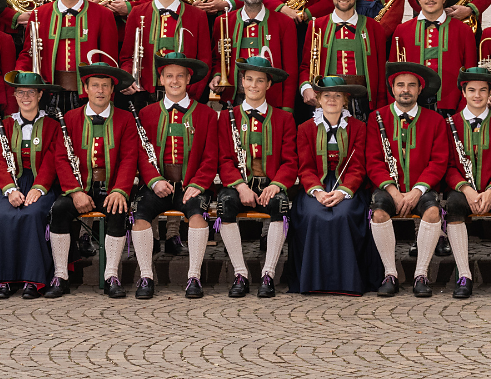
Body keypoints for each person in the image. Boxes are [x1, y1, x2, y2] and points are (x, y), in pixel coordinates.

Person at [47, 60, 140, 298]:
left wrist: (120, 190)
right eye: (95, 85)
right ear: (85, 89)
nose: (100, 90)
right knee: (59, 209)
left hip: (111, 188)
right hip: (80, 189)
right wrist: (75, 191)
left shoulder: (126, 119)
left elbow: (130, 158)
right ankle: (60, 275)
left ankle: (111, 275)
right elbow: (61, 158)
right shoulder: (69, 117)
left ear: (112, 90)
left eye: (105, 86)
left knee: (118, 210)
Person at [131, 51, 219, 299]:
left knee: (197, 215)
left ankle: (194, 276)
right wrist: (154, 180)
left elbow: (210, 157)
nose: (175, 81)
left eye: (180, 76)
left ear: (189, 80)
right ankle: (146, 276)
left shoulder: (207, 114)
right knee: (140, 217)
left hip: (190, 184)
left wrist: (199, 184)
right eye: (169, 76)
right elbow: (141, 155)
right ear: (161, 80)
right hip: (157, 185)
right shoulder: (147, 114)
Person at [214, 55, 298, 298]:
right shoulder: (228, 117)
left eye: (259, 81)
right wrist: (240, 187)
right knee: (225, 203)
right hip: (240, 185)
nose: (253, 85)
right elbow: (224, 160)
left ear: (268, 85)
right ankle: (240, 273)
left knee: (280, 204)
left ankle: (268, 273)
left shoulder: (285, 118)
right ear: (242, 82)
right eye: (248, 79)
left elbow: (290, 161)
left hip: (270, 184)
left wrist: (276, 185)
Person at [367, 61, 448, 297]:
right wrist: (393, 191)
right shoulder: (376, 118)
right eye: (400, 85)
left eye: (411, 85)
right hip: (389, 188)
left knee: (433, 212)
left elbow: (438, 161)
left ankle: (420, 274)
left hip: (420, 189)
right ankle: (390, 273)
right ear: (392, 89)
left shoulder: (435, 120)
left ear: (420, 90)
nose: (406, 90)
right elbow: (373, 160)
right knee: (379, 212)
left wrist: (417, 191)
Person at [289, 75, 376, 295]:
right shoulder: (305, 128)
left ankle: (347, 281)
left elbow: (358, 167)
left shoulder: (358, 127)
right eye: (326, 95)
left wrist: (343, 191)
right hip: (315, 186)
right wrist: (318, 192)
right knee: (313, 214)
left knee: (344, 214)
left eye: (337, 96)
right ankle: (314, 281)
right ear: (318, 99)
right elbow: (306, 167)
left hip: (348, 186)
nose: (332, 100)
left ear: (345, 100)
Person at [442, 64, 491, 300]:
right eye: (472, 90)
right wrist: (466, 189)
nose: (477, 95)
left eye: (483, 90)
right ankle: (464, 275)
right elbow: (446, 165)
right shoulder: (449, 124)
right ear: (463, 93)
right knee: (453, 206)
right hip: (462, 189)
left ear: (490, 94)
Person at [0, 71, 63, 299]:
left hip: (40, 183)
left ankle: (32, 279)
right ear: (15, 96)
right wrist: (9, 189)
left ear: (40, 94)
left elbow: (51, 161)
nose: (25, 97)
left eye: (31, 92)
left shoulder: (52, 125)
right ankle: (3, 279)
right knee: (1, 213)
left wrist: (39, 188)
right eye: (20, 93)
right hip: (10, 183)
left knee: (32, 214)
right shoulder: (5, 124)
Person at [14, 0, 120, 110]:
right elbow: (28, 53)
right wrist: (20, 74)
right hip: (48, 94)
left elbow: (109, 61)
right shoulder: (40, 13)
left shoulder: (103, 15)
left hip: (88, 95)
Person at [122, 0, 212, 106]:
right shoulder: (137, 12)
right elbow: (126, 56)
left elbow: (204, 61)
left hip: (185, 95)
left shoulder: (198, 16)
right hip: (144, 94)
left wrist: (192, 92)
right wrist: (128, 78)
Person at [211, 0, 298, 111]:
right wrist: (217, 75)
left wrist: (287, 108)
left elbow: (291, 71)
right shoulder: (223, 21)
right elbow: (217, 59)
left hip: (272, 101)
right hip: (234, 98)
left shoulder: (285, 23)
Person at [300, 0, 386, 117]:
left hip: (362, 101)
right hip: (327, 99)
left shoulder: (374, 28)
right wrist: (306, 87)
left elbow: (381, 70)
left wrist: (381, 105)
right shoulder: (316, 26)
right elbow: (305, 66)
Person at [390, 0, 478, 114]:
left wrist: (463, 106)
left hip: (452, 105)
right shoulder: (402, 30)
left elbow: (470, 73)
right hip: (412, 106)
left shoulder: (463, 30)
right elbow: (393, 74)